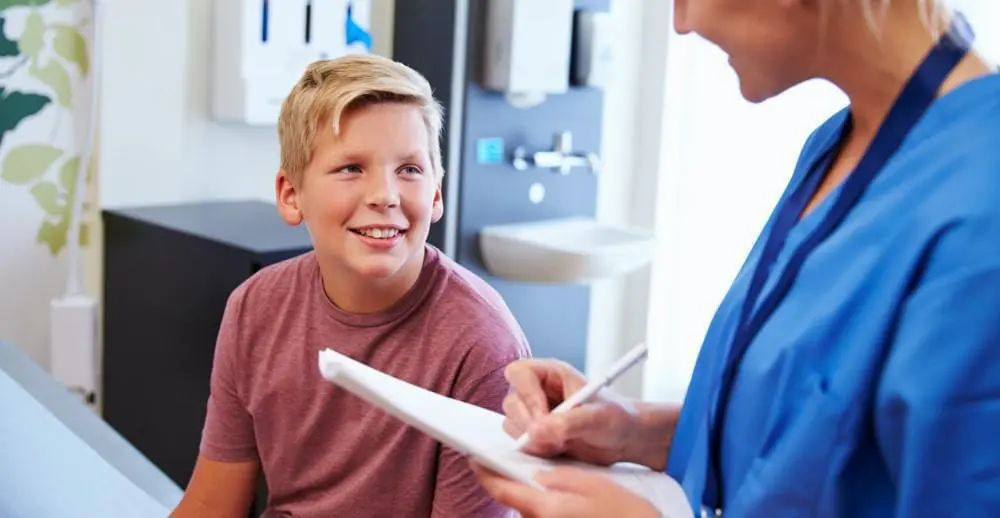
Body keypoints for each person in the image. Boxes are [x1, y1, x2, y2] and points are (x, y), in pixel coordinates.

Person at [472, 0, 1000, 516]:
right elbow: (820, 450)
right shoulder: (834, 145)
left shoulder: (981, 208)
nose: (681, 23)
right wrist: (635, 431)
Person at [171, 55, 530, 517]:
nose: (385, 195)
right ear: (291, 194)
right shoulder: (254, 307)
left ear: (436, 193)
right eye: (351, 168)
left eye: (409, 169)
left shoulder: (483, 344)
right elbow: (211, 504)